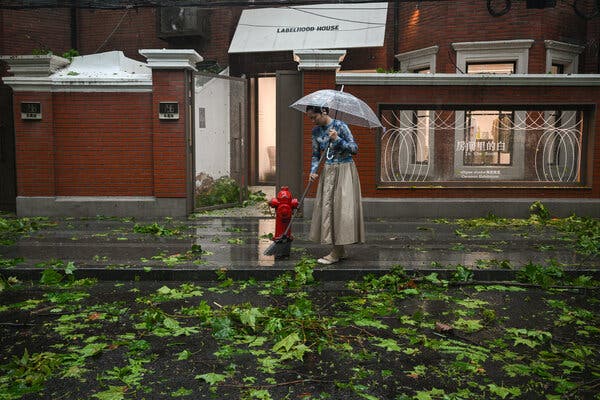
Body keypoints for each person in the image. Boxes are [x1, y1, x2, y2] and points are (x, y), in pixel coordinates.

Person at [306, 105, 365, 265]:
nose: (312, 121)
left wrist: (337, 139)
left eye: (314, 117)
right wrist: (313, 170)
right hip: (328, 171)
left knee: (339, 209)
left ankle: (336, 251)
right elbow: (315, 154)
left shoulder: (341, 126)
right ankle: (340, 250)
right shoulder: (316, 132)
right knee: (328, 209)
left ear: (323, 112)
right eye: (310, 118)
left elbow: (354, 149)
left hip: (344, 171)